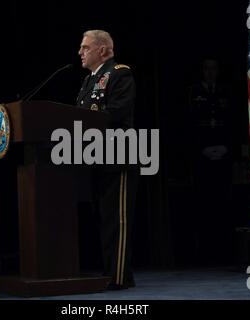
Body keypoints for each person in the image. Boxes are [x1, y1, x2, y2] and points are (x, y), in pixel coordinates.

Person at [77, 30, 137, 290]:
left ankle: (119, 276)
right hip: (96, 157)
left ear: (103, 50)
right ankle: (108, 271)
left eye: (85, 47)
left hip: (118, 156)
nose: (80, 52)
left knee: (118, 221)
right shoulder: (89, 80)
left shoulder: (119, 73)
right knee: (104, 219)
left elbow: (117, 111)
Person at [187, 58, 233, 265]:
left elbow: (234, 119)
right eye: (206, 68)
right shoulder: (193, 92)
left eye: (214, 68)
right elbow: (187, 123)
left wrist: (227, 147)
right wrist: (200, 148)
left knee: (223, 203)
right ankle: (204, 254)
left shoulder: (225, 91)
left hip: (223, 154)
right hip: (202, 156)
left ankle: (224, 252)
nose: (210, 72)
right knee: (203, 204)